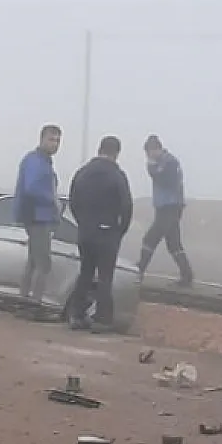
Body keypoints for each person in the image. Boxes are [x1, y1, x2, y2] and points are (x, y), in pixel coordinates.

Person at [67, 135, 133, 332]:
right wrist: (119, 231)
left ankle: (76, 314)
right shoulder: (117, 175)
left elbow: (73, 201)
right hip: (107, 232)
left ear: (99, 149)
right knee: (105, 276)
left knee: (85, 273)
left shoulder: (82, 172)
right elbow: (126, 206)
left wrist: (83, 223)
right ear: (117, 153)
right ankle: (102, 320)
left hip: (85, 231)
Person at [13, 124, 63, 319]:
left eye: (58, 140)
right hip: (36, 216)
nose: (55, 144)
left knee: (34, 261)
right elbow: (32, 188)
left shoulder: (44, 161)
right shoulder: (35, 161)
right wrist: (52, 201)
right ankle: (33, 305)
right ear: (42, 139)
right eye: (52, 139)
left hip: (39, 216)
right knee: (43, 262)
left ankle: (25, 302)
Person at [135, 134, 193, 286]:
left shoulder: (169, 162)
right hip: (165, 206)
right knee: (173, 243)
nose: (148, 156)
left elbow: (164, 179)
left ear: (156, 149)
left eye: (149, 152)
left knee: (150, 238)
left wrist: (153, 168)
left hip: (170, 206)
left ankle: (138, 271)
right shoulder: (163, 162)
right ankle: (187, 275)